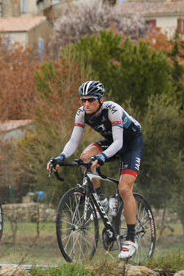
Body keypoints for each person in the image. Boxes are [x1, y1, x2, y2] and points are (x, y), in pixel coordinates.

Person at [47, 80, 144, 260]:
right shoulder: (82, 113)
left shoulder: (113, 110)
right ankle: (100, 198)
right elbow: (74, 141)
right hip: (112, 142)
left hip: (130, 144)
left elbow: (119, 142)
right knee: (85, 157)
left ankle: (131, 238)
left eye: (91, 100)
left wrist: (103, 157)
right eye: (83, 100)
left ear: (100, 99)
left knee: (124, 189)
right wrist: (60, 157)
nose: (86, 104)